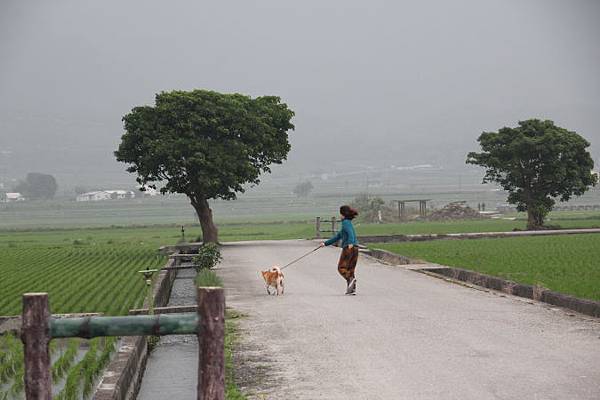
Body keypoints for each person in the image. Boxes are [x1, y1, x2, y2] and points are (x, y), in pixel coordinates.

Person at [320, 205, 359, 295]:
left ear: (343, 214)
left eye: (340, 214)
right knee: (350, 269)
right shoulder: (348, 222)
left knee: (341, 267)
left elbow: (350, 234)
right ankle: (351, 290)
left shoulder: (345, 223)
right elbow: (337, 237)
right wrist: (325, 243)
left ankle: (350, 279)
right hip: (355, 248)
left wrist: (350, 243)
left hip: (349, 248)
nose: (340, 216)